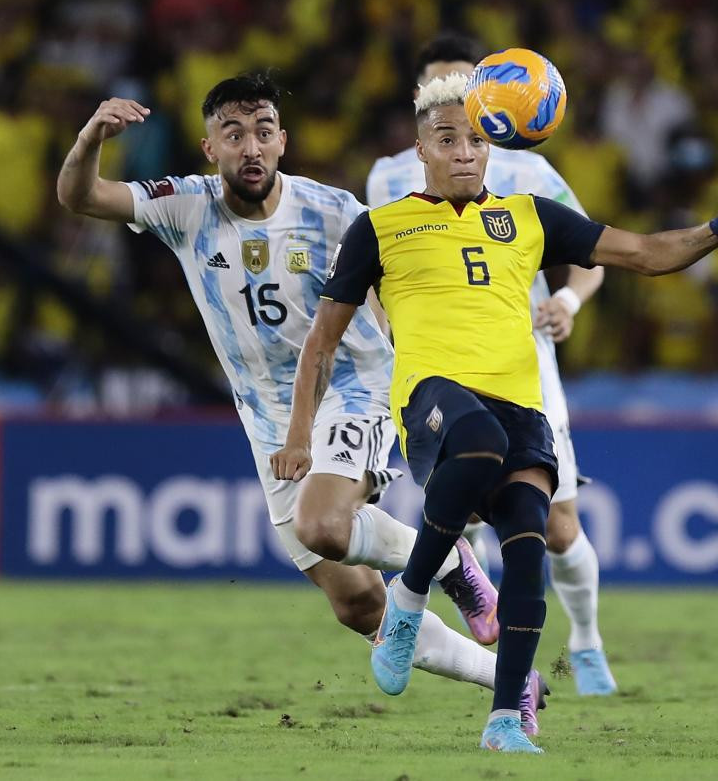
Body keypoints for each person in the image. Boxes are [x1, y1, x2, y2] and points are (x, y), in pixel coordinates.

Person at [272, 74, 718, 753]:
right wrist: (300, 434)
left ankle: (505, 719)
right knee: (477, 439)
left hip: (522, 408)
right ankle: (410, 604)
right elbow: (323, 340)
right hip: (433, 401)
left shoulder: (529, 216)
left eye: (475, 139)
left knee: (530, 548)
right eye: (448, 139)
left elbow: (646, 254)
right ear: (421, 149)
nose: (465, 152)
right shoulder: (379, 227)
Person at [56, 71, 549, 732]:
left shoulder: (333, 210)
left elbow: (389, 287)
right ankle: (510, 679)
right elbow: (79, 195)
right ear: (210, 149)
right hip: (266, 417)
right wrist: (92, 136)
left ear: (283, 140)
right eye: (234, 134)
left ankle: (453, 560)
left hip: (354, 385)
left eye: (263, 131)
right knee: (354, 603)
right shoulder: (187, 206)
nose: (251, 147)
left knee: (322, 523)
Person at [366, 33, 616, 696]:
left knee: (558, 526)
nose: (454, 101)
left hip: (522, 364)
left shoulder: (527, 168)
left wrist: (567, 298)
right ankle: (488, 652)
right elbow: (376, 270)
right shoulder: (389, 175)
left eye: (463, 83)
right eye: (436, 87)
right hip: (438, 369)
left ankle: (585, 639)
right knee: (467, 499)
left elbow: (593, 254)